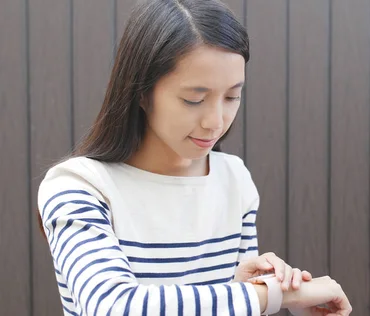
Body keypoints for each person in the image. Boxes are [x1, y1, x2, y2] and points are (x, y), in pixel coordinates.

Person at [36, 0, 352, 315]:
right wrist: (272, 296)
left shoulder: (234, 178)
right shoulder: (78, 186)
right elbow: (113, 307)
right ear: (142, 93)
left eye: (232, 96)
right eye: (194, 99)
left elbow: (228, 304)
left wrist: (264, 290)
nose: (216, 121)